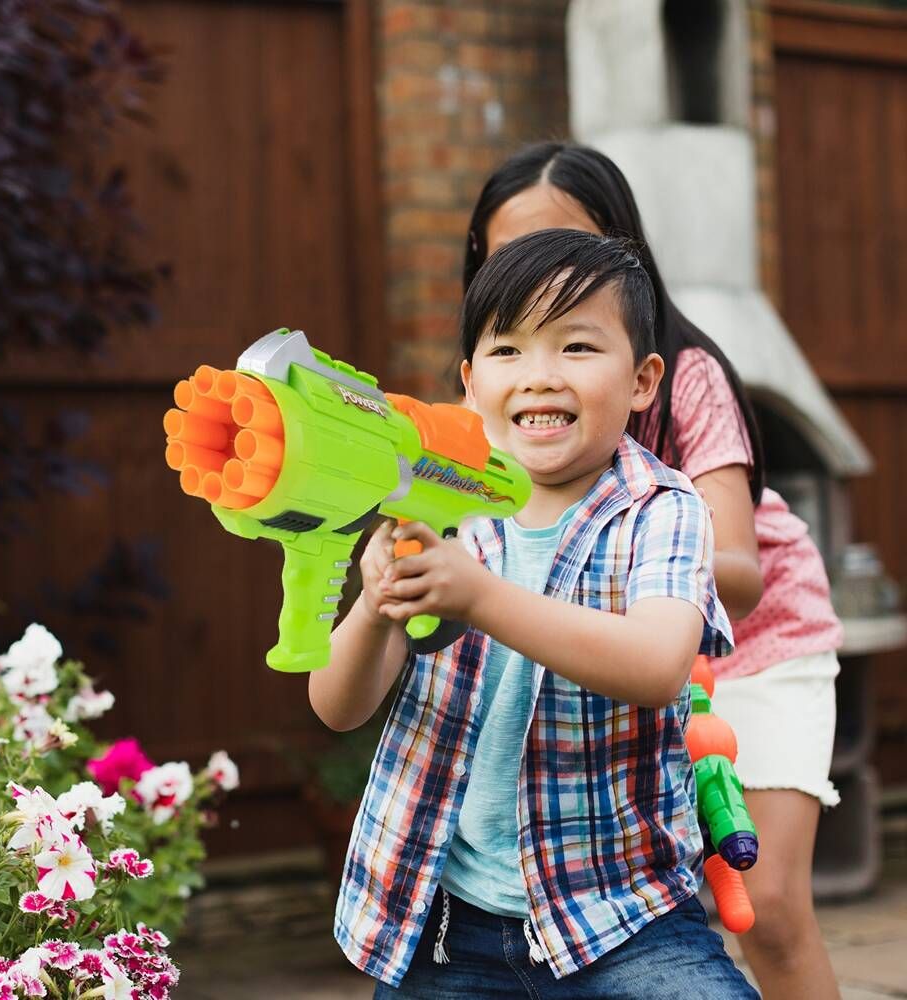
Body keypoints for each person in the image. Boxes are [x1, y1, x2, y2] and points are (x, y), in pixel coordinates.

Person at [309, 228, 758, 998]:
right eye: (507, 350)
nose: (539, 377)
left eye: (577, 348)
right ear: (469, 382)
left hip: (622, 917)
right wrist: (377, 606)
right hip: (447, 929)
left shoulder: (663, 510)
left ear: (644, 380)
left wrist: (479, 597)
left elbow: (655, 667)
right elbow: (337, 706)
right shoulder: (435, 506)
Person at [462, 141, 843, 1000]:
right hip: (616, 650)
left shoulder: (686, 375)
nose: (541, 275)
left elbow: (736, 569)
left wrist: (639, 568)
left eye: (567, 249)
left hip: (750, 644)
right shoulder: (502, 390)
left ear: (622, 251)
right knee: (637, 909)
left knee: (769, 903)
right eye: (510, 256)